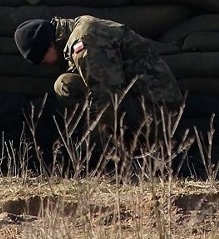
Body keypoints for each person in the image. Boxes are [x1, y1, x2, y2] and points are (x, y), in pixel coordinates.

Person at [14, 15, 182, 145]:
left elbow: (108, 98)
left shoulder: (84, 39)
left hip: (158, 113)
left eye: (42, 60)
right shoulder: (77, 31)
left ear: (50, 44)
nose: (46, 65)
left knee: (65, 84)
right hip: (145, 102)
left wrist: (93, 150)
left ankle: (119, 155)